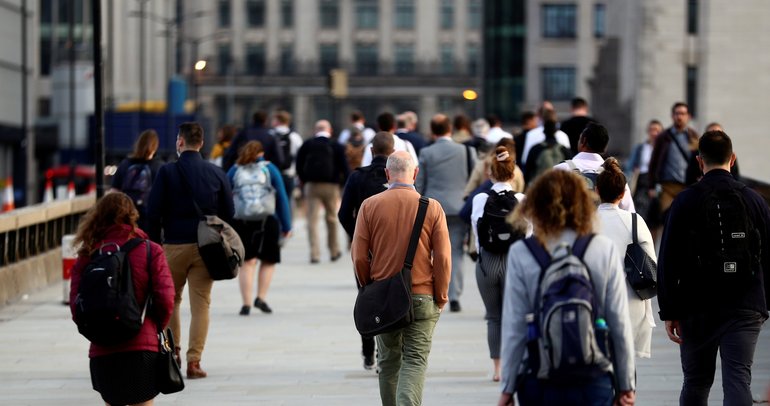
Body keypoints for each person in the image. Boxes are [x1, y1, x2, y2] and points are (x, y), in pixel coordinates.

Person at [498, 169, 636, 406]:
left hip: (539, 376)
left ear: (536, 204)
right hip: (593, 376)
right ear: (583, 202)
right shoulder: (603, 248)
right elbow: (619, 323)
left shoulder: (522, 252)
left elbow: (514, 328)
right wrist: (626, 385)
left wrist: (507, 387)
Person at [657, 130, 770, 405]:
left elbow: (669, 259)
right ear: (732, 159)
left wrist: (670, 310)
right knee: (738, 379)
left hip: (697, 307)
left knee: (696, 381)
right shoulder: (755, 200)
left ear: (699, 161)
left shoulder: (684, 201)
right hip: (746, 305)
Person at [352, 150, 451, 406]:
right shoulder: (432, 208)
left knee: (387, 362)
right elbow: (442, 258)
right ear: (415, 173)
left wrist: (368, 288)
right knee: (415, 361)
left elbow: (359, 257)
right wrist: (440, 295)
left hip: (384, 296)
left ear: (387, 174)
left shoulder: (369, 206)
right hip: (422, 294)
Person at [147, 122, 235, 379]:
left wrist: (154, 245)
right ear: (202, 143)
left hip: (173, 244)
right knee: (201, 305)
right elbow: (229, 212)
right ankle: (194, 362)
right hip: (206, 247)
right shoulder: (215, 173)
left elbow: (153, 212)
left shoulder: (166, 172)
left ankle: (173, 350)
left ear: (180, 142)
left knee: (171, 300)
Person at [69, 192, 175, 406]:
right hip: (141, 347)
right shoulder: (150, 250)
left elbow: (76, 305)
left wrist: (97, 330)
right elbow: (165, 297)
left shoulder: (88, 253)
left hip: (102, 350)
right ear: (132, 215)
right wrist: (154, 327)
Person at [338, 131, 395, 371]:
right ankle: (387, 352)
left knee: (367, 296)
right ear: (392, 152)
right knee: (392, 297)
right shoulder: (397, 177)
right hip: (392, 248)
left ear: (370, 151)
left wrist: (357, 236)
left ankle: (368, 352)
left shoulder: (357, 177)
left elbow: (343, 213)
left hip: (366, 248)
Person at [470, 146, 526, 382]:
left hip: (488, 263)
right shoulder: (522, 199)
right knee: (515, 316)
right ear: (513, 175)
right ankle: (516, 365)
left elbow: (476, 232)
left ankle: (497, 369)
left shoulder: (481, 199)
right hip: (515, 262)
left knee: (493, 317)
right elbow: (530, 235)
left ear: (489, 174)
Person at [416, 114, 477, 312]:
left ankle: (435, 293)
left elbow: (420, 184)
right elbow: (473, 180)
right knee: (456, 251)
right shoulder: (467, 151)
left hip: (433, 208)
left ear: (432, 131)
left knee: (432, 252)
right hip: (459, 207)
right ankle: (455, 295)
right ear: (450, 129)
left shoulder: (426, 153)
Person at [596, 157, 656, 359]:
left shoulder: (586, 222)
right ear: (623, 194)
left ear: (597, 190)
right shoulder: (634, 221)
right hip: (630, 300)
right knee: (626, 364)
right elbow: (652, 264)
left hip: (595, 299)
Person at [227, 141, 292, 316]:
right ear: (261, 153)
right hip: (268, 219)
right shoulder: (270, 169)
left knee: (247, 262)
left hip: (242, 221)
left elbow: (225, 196)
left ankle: (246, 303)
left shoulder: (234, 170)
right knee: (268, 260)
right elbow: (282, 198)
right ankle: (261, 297)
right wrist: (287, 225)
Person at [296, 120, 350, 263]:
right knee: (331, 219)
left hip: (312, 185)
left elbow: (299, 165)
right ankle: (333, 250)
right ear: (330, 130)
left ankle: (315, 253)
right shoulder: (336, 145)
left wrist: (304, 180)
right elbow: (344, 166)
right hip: (331, 186)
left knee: (312, 221)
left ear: (315, 130)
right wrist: (343, 184)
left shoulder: (307, 144)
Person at [553, 122, 636, 212]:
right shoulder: (614, 173)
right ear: (605, 147)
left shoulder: (560, 169)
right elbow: (629, 210)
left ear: (583, 141)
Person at [647, 102, 699, 219]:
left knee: (687, 219)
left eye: (682, 113)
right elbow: (654, 162)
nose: (679, 117)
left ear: (688, 116)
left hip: (687, 187)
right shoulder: (664, 137)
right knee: (668, 218)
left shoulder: (694, 137)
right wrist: (651, 186)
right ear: (672, 116)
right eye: (677, 113)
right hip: (667, 187)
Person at [110, 129, 164, 231]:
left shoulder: (125, 165)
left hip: (127, 221)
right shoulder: (159, 167)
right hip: (151, 223)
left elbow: (114, 193)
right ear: (155, 146)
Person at [625, 120, 663, 223]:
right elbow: (630, 166)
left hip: (658, 184)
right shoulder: (640, 148)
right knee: (640, 214)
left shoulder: (663, 149)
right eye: (652, 130)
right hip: (641, 182)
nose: (654, 133)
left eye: (657, 130)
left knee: (656, 219)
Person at [524, 109, 572, 185]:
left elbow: (526, 164)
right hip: (560, 186)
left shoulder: (532, 138)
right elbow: (571, 167)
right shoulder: (563, 141)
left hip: (540, 186)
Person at [270, 110, 303, 202]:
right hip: (289, 174)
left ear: (277, 121)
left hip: (271, 174)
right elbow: (300, 156)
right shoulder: (295, 137)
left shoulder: (270, 135)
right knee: (287, 202)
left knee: (272, 202)